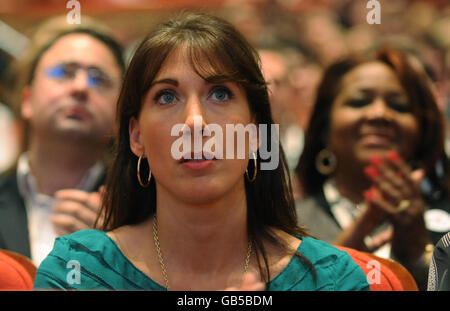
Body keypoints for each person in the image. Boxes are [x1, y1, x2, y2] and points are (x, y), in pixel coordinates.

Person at [33, 12, 369, 291]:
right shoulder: (79, 273)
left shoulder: (330, 279)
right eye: (167, 96)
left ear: (254, 132)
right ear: (137, 137)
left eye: (220, 94)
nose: (194, 122)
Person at [295, 46, 450, 290]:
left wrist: (420, 257)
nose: (379, 113)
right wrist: (335, 269)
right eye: (359, 102)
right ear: (325, 128)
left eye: (399, 106)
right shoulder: (286, 223)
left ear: (421, 132)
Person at [0, 19, 125, 267]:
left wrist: (121, 256)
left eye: (98, 79)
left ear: (119, 115)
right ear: (27, 100)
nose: (81, 87)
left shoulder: (144, 215)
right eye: (64, 73)